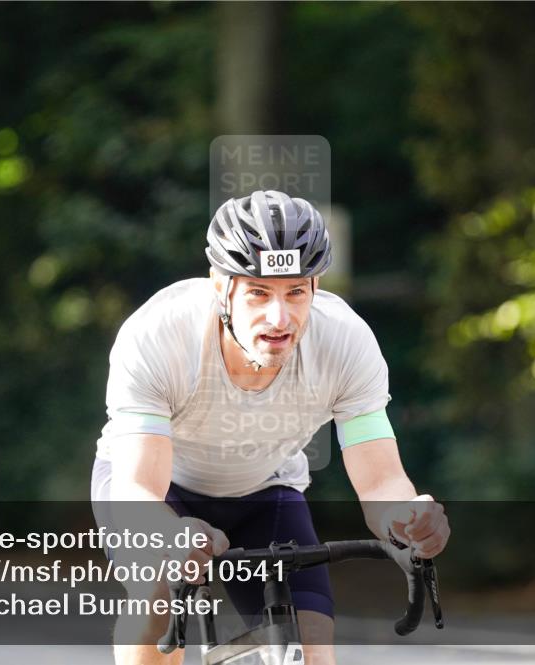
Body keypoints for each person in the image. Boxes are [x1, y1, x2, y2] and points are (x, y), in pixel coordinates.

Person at [91, 190, 450, 665]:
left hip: (265, 488)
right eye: (259, 292)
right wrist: (172, 535)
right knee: (158, 596)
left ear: (316, 288)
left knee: (312, 650)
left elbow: (381, 480)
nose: (279, 318)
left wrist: (407, 518)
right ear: (221, 287)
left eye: (295, 292)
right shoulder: (159, 335)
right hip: (158, 492)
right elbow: (139, 488)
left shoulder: (346, 342)